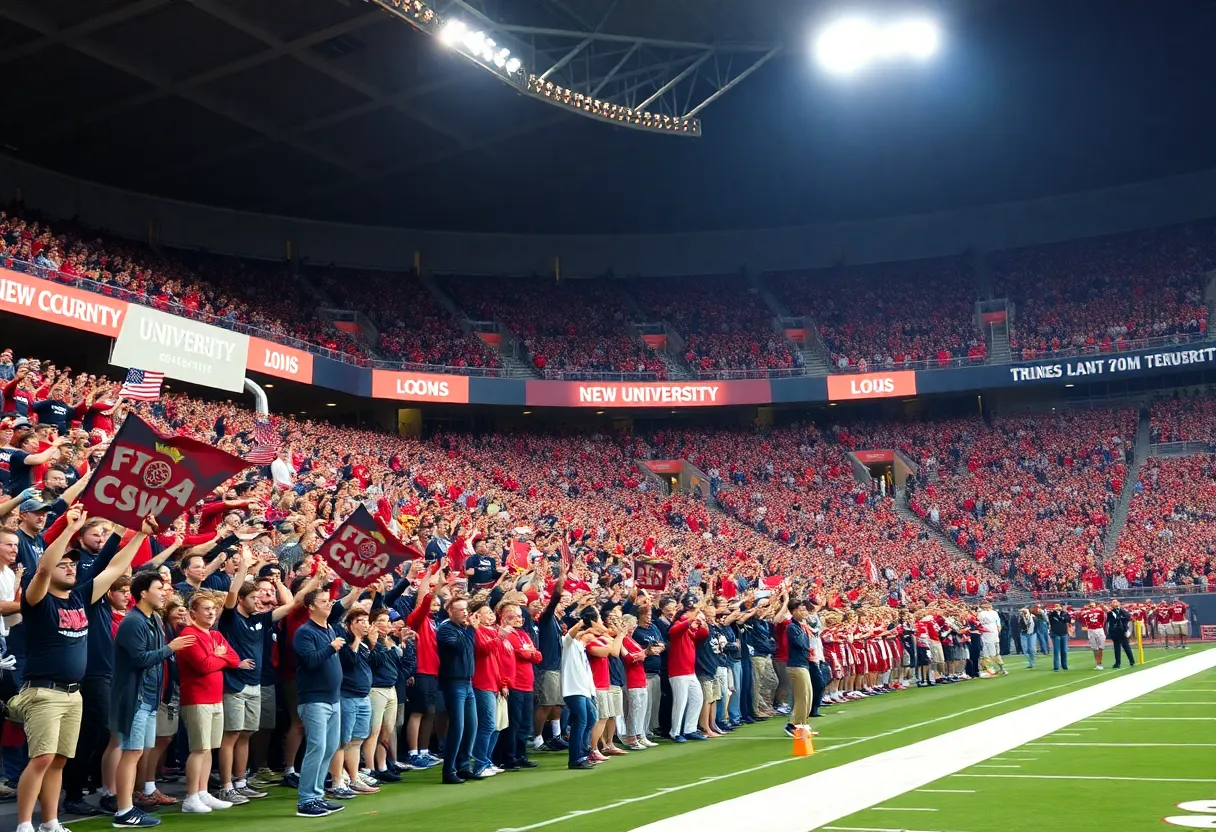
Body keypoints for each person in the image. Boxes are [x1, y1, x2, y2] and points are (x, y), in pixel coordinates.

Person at [11, 509, 145, 832]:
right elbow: (43, 568)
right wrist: (70, 527)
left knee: (58, 760)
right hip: (44, 690)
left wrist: (140, 535)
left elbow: (114, 569)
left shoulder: (80, 597)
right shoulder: (38, 599)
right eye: (64, 564)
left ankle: (51, 822)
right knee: (41, 758)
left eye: (73, 564)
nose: (71, 568)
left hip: (74, 693)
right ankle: (25, 824)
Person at [109, 571, 196, 828]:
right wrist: (172, 647)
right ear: (143, 593)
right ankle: (123, 810)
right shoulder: (133, 622)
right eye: (159, 587)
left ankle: (130, 804)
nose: (164, 592)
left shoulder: (154, 619)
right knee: (131, 752)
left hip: (148, 697)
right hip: (135, 698)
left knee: (139, 752)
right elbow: (140, 659)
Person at [176, 590, 243, 813]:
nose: (212, 612)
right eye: (206, 608)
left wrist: (217, 656)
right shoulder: (188, 634)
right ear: (193, 612)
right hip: (196, 698)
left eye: (214, 609)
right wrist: (219, 656)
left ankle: (203, 792)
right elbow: (202, 666)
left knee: (208, 749)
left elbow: (234, 660)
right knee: (199, 748)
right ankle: (191, 796)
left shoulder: (215, 635)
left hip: (215, 698)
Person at [292, 587, 346, 817]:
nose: (328, 604)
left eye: (329, 601)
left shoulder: (330, 628)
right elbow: (310, 660)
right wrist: (330, 648)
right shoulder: (304, 632)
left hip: (333, 699)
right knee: (317, 747)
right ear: (311, 607)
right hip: (314, 699)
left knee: (330, 747)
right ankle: (306, 800)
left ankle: (317, 795)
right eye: (324, 601)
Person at [436, 597, 477, 784]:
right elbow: (456, 647)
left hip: (467, 682)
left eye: (465, 610)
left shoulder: (463, 629)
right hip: (454, 682)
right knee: (457, 726)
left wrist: (469, 630)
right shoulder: (446, 629)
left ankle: (463, 765)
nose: (465, 613)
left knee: (471, 726)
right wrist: (471, 629)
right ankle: (449, 770)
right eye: (460, 610)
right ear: (450, 611)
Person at [560, 609, 598, 770]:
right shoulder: (568, 642)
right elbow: (570, 634)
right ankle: (576, 757)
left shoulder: (580, 648)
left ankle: (583, 750)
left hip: (584, 690)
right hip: (573, 689)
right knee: (581, 720)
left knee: (590, 718)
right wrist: (582, 622)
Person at [977, 601, 1006, 677]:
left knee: (992, 652)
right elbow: (998, 625)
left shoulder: (991, 613)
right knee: (989, 651)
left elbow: (998, 624)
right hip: (988, 634)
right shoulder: (982, 613)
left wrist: (997, 632)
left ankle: (997, 668)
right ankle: (990, 669)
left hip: (991, 634)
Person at [1077, 601, 1107, 670]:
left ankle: (1100, 663)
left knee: (1101, 648)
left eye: (1093, 606)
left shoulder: (1100, 612)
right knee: (1094, 648)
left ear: (1096, 606)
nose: (1092, 607)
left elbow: (1103, 620)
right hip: (1091, 630)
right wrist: (1084, 610)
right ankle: (1098, 663)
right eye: (1090, 606)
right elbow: (1080, 618)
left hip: (1099, 629)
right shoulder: (1086, 612)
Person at [1107, 600, 1134, 669]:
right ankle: (1117, 663)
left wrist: (1119, 610)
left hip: (1122, 631)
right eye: (1113, 602)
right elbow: (1109, 620)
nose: (1114, 603)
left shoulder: (1123, 611)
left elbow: (1127, 618)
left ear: (1119, 603)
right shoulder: (1110, 612)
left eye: (1116, 602)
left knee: (1126, 646)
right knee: (1116, 647)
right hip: (1114, 631)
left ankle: (1131, 661)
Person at [1047, 604, 1072, 672]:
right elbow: (1049, 617)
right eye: (1056, 607)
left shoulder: (1064, 613)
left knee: (1064, 651)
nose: (1057, 608)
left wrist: (1063, 613)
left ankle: (1064, 665)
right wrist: (1054, 612)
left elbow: (1068, 619)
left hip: (1064, 633)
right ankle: (1056, 666)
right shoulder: (1052, 614)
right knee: (1056, 651)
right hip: (1055, 633)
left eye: (1058, 607)